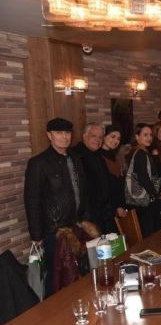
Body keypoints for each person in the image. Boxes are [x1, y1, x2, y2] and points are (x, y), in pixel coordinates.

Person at [24, 118, 89, 298]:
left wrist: (85, 220)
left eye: (67, 133)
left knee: (76, 271)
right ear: (49, 135)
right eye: (59, 133)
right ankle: (52, 312)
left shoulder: (76, 158)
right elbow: (32, 200)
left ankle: (74, 305)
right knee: (55, 277)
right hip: (54, 229)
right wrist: (36, 234)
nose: (64, 137)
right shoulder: (38, 163)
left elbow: (83, 191)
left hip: (76, 225)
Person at [124, 124, 161, 237]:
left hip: (142, 201)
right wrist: (156, 195)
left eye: (150, 135)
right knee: (151, 234)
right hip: (145, 201)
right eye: (145, 135)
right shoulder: (140, 153)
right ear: (137, 137)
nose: (149, 138)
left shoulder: (139, 151)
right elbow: (144, 178)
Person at [72, 122, 115, 232]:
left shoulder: (98, 155)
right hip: (87, 217)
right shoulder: (75, 156)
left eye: (100, 137)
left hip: (103, 213)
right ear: (84, 136)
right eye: (93, 136)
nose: (97, 140)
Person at [100, 125, 127, 232]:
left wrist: (121, 205)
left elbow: (119, 185)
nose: (116, 141)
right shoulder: (99, 157)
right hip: (106, 210)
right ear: (104, 137)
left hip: (116, 207)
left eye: (118, 139)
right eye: (112, 137)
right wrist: (117, 206)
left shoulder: (114, 156)